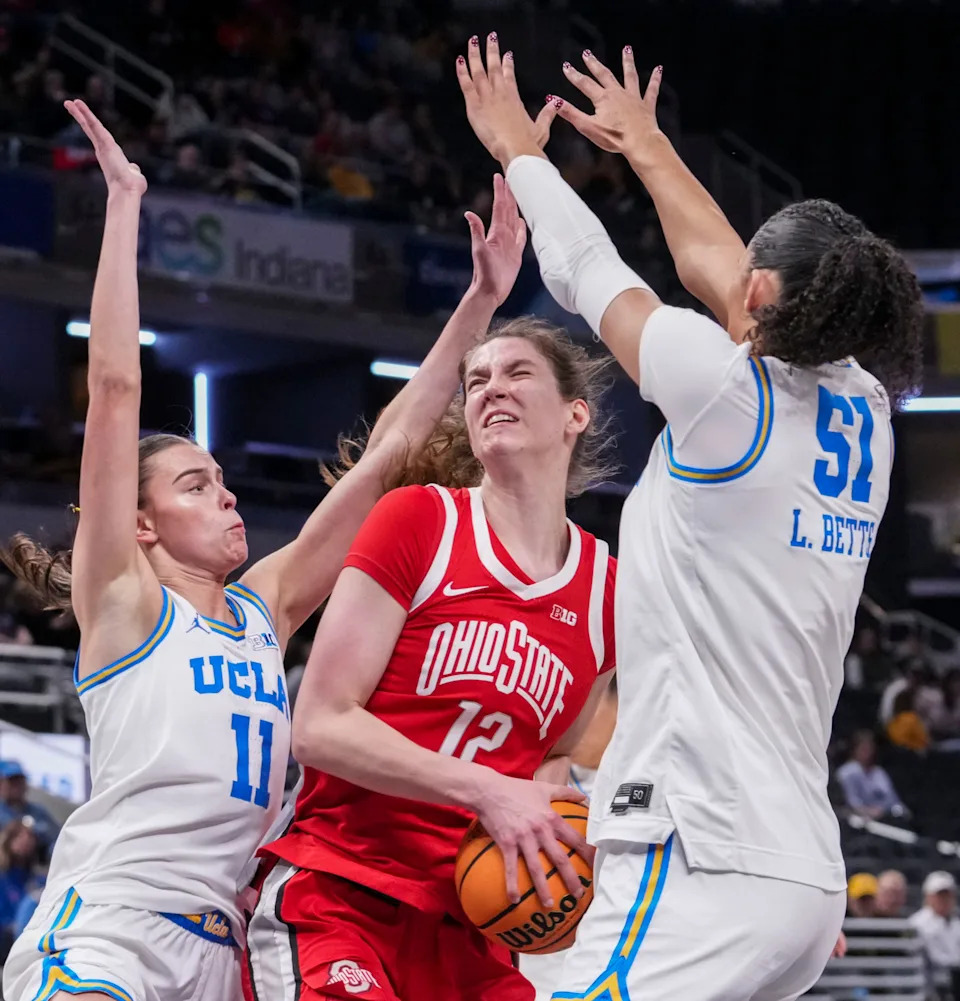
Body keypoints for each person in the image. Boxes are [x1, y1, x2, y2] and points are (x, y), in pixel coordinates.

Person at [0, 100, 524, 1001]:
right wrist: (124, 204)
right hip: (111, 926)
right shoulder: (125, 603)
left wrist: (479, 302)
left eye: (223, 479)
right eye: (195, 485)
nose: (228, 495)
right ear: (141, 523)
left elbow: (390, 456)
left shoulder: (262, 611)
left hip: (222, 949)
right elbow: (117, 387)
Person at [457, 33, 923, 1001]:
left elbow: (587, 267)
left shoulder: (724, 395)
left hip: (697, 846)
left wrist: (519, 152)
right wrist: (648, 145)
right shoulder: (866, 408)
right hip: (799, 870)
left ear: (761, 296)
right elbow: (719, 264)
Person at [246, 315, 618, 1000]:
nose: (491, 388)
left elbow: (551, 756)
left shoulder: (606, 592)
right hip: (341, 890)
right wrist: (487, 790)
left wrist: (558, 838)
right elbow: (320, 725)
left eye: (517, 373)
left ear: (576, 413)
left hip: (472, 926)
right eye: (476, 380)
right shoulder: (419, 519)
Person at [909, 871, 960, 1000]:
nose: (944, 899)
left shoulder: (956, 921)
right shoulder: (917, 923)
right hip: (927, 980)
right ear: (928, 896)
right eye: (939, 895)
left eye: (947, 895)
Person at [836, 731, 909, 820]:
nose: (867, 753)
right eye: (863, 749)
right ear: (854, 750)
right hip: (857, 817)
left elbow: (892, 799)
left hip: (884, 815)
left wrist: (881, 809)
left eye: (870, 749)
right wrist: (868, 811)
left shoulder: (879, 772)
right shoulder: (847, 772)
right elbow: (851, 801)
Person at [0, 761, 60, 859]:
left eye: (20, 781)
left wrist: (33, 835)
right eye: (12, 782)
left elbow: (57, 838)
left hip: (34, 865)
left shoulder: (38, 811)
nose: (16, 787)